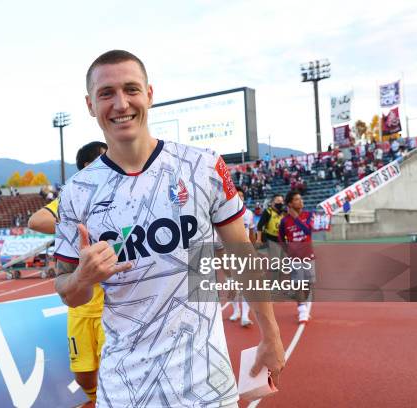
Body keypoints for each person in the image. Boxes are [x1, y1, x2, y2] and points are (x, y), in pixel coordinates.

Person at [54, 50, 284, 408]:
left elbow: (243, 256)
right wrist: (82, 278)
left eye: (131, 89)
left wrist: (270, 333)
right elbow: (69, 292)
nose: (120, 103)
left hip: (207, 386)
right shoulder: (76, 194)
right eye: (106, 93)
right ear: (89, 104)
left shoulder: (203, 166)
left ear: (149, 93)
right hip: (126, 391)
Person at [28, 141, 107, 407]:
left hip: (114, 307)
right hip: (80, 304)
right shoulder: (71, 199)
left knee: (115, 370)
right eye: (103, 159)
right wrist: (78, 224)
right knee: (84, 375)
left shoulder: (124, 194)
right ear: (87, 166)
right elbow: (36, 221)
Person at [278, 190, 315, 323]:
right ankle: (302, 310)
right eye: (297, 199)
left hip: (308, 255)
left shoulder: (309, 215)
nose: (301, 201)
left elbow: (307, 230)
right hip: (294, 257)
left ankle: (302, 301)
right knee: (297, 283)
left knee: (307, 284)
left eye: (301, 199)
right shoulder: (284, 221)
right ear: (290, 203)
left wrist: (295, 217)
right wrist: (287, 251)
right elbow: (281, 238)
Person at [228, 187, 256, 327]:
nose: (239, 198)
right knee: (231, 285)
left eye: (241, 196)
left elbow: (251, 232)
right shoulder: (225, 213)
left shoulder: (249, 214)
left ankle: (245, 315)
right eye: (236, 195)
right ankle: (236, 311)